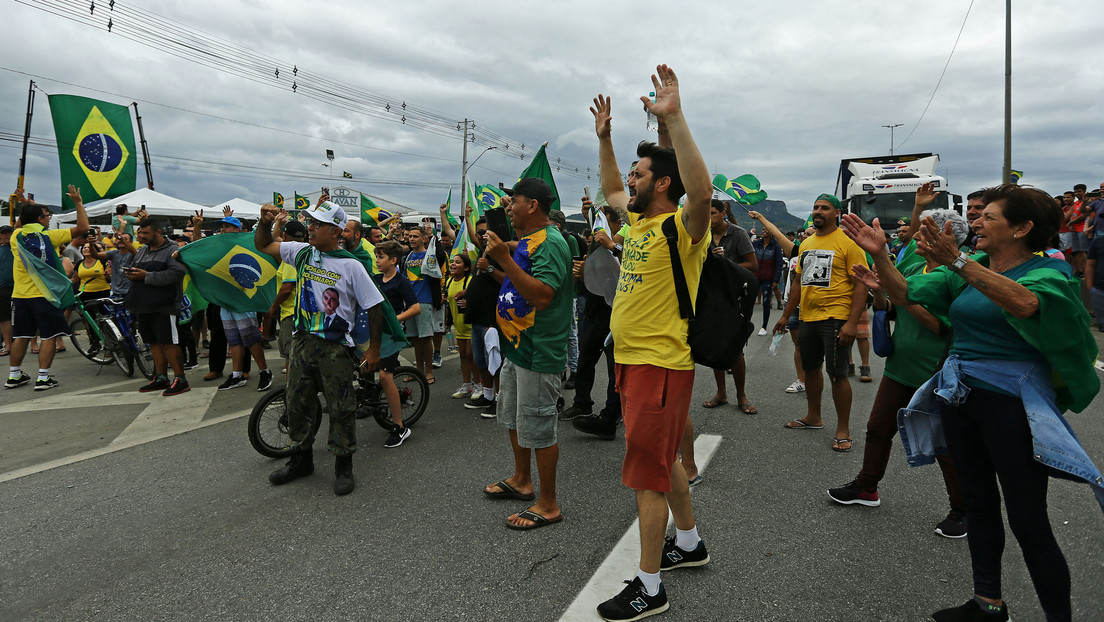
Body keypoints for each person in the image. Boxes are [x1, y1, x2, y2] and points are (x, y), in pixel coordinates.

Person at [842, 184, 1102, 622]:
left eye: (988, 217)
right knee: (979, 505)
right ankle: (988, 603)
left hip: (1011, 408)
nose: (976, 223)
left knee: (1028, 520)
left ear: (1022, 228)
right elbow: (903, 293)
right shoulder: (969, 268)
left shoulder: (1049, 272)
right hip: (962, 400)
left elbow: (1025, 304)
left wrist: (958, 262)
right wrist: (881, 255)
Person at [590, 65, 712, 621]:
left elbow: (700, 191)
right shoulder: (637, 225)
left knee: (646, 476)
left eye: (639, 174)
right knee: (663, 462)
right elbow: (611, 189)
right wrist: (605, 139)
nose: (629, 181)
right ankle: (688, 543)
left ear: (661, 184)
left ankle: (649, 587)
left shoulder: (681, 229)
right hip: (634, 360)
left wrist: (675, 117)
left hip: (659, 365)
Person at [827, 205, 970, 539]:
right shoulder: (915, 264)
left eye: (923, 231)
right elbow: (888, 307)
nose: (916, 235)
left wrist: (902, 297)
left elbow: (942, 327)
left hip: (936, 372)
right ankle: (866, 487)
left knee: (945, 445)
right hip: (900, 366)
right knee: (878, 428)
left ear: (944, 237)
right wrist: (878, 291)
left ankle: (964, 511)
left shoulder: (958, 274)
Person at [255, 201, 385, 495]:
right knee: (297, 403)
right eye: (310, 223)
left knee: (340, 408)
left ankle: (343, 466)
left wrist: (374, 349)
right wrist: (264, 223)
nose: (311, 228)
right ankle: (301, 460)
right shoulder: (302, 253)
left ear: (336, 231)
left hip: (334, 348)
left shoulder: (351, 265)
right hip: (302, 342)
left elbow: (374, 306)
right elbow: (263, 245)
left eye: (318, 224)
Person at [480, 177, 572, 531]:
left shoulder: (551, 242)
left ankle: (548, 504)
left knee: (539, 427)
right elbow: (520, 261)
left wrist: (504, 258)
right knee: (515, 420)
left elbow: (543, 296)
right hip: (517, 347)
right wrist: (503, 251)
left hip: (538, 350)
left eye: (514, 201)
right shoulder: (530, 240)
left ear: (532, 205)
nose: (509, 208)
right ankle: (522, 480)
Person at [774, 193, 868, 453]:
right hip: (808, 318)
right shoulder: (806, 243)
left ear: (836, 213)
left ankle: (843, 429)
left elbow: (861, 285)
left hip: (836, 318)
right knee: (811, 369)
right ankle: (814, 416)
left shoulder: (848, 244)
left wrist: (851, 323)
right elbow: (797, 282)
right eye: (816, 207)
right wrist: (785, 316)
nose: (818, 211)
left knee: (837, 374)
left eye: (825, 208)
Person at [6, 186, 89, 391]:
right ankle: (43, 378)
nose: (49, 218)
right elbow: (83, 227)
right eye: (46, 216)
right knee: (49, 336)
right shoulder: (50, 236)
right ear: (40, 219)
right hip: (46, 295)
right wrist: (78, 202)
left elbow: (20, 224)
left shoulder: (16, 236)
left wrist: (25, 207)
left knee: (21, 336)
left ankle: (14, 375)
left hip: (20, 296)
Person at [701, 199, 758, 414]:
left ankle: (741, 395)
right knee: (716, 344)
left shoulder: (738, 233)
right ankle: (721, 393)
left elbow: (753, 264)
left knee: (735, 348)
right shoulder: (703, 234)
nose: (708, 218)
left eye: (712, 213)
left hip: (735, 297)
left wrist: (726, 264)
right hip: (711, 296)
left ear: (723, 213)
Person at [126, 218, 190, 396]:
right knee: (153, 342)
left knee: (168, 342)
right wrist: (132, 274)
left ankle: (181, 379)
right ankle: (161, 377)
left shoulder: (173, 250)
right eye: (140, 233)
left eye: (146, 233)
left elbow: (177, 273)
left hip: (165, 305)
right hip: (143, 304)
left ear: (159, 232)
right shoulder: (142, 251)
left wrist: (147, 276)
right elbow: (138, 271)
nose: (141, 236)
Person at [373, 240, 422, 448]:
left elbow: (415, 308)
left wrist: (395, 319)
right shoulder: (375, 279)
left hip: (392, 334)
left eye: (381, 257)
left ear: (393, 260)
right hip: (373, 332)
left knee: (385, 376)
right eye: (376, 256)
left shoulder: (401, 282)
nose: (377, 261)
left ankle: (399, 426)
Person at [443, 252, 477, 399]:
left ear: (466, 268)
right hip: (458, 326)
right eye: (452, 261)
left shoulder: (470, 281)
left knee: (471, 356)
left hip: (472, 326)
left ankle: (479, 385)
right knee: (463, 356)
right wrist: (447, 323)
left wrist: (469, 303)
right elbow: (449, 305)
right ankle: (467, 385)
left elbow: (480, 300)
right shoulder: (449, 281)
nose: (453, 264)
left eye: (457, 262)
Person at [752, 229, 783, 335]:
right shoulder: (756, 244)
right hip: (754, 277)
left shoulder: (776, 246)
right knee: (749, 302)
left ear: (771, 232)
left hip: (768, 278)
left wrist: (776, 280)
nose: (764, 231)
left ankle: (764, 327)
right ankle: (746, 324)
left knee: (766, 303)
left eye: (767, 229)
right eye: (763, 229)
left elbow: (779, 264)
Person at [0, 224, 16, 356]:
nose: (7, 235)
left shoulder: (18, 247)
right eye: (4, 233)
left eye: (9, 232)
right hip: (3, 288)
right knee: (4, 317)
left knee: (27, 314)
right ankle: (8, 345)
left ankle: (34, 345)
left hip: (20, 286)